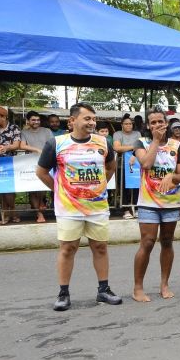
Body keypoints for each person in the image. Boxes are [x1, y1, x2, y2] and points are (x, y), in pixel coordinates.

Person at [35, 102, 120, 311]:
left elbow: (111, 166)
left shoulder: (103, 143)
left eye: (94, 118)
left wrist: (98, 187)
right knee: (68, 249)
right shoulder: (56, 143)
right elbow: (41, 172)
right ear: (72, 121)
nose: (92, 122)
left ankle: (103, 290)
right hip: (68, 209)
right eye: (87, 118)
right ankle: (63, 293)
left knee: (100, 247)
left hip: (97, 207)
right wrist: (60, 191)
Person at [132, 109, 180, 302]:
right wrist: (155, 141)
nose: (157, 125)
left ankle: (164, 284)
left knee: (167, 242)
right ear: (148, 126)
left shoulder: (177, 146)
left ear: (167, 123)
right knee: (147, 242)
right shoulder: (141, 143)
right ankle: (138, 287)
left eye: (160, 122)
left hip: (171, 203)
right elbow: (146, 164)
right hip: (148, 203)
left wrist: (172, 176)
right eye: (153, 122)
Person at [20, 110, 54, 223]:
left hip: (45, 163)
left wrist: (44, 152)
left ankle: (41, 206)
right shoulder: (24, 132)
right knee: (33, 190)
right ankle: (39, 214)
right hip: (30, 163)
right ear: (28, 121)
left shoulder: (47, 131)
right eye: (33, 120)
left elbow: (52, 144)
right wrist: (36, 149)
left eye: (38, 120)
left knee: (42, 189)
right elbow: (22, 145)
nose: (36, 122)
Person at [113, 115, 142, 219]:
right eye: (126, 124)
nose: (128, 125)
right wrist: (133, 147)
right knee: (123, 187)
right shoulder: (118, 134)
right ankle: (126, 210)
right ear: (122, 125)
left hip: (136, 164)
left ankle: (137, 207)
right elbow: (117, 148)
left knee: (136, 186)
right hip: (122, 164)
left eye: (130, 124)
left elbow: (141, 146)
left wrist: (129, 150)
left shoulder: (137, 133)